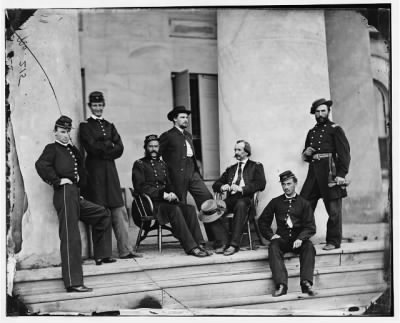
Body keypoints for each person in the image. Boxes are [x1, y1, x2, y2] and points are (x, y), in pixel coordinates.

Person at [35, 116, 116, 293]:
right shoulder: (52, 148)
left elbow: (81, 168)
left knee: (102, 214)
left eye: (67, 132)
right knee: (71, 236)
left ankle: (102, 255)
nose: (65, 135)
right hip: (64, 194)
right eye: (62, 132)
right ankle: (73, 282)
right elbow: (41, 165)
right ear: (55, 132)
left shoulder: (71, 150)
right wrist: (57, 181)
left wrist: (79, 186)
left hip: (75, 194)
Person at [79, 91, 141, 259]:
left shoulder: (109, 125)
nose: (98, 108)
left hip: (111, 173)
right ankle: (104, 254)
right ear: (90, 106)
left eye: (100, 105)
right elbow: (91, 147)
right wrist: (108, 146)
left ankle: (125, 250)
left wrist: (103, 147)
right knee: (101, 211)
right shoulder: (85, 126)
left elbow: (120, 148)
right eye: (95, 105)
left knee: (119, 210)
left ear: (103, 106)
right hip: (95, 173)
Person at [132, 134, 212, 257]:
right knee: (174, 209)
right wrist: (162, 194)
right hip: (150, 205)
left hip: (165, 203)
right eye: (150, 146)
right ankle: (191, 247)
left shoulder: (163, 165)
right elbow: (140, 187)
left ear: (159, 148)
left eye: (156, 146)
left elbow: (169, 184)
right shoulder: (140, 164)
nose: (153, 149)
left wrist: (172, 193)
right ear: (146, 148)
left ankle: (199, 243)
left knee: (189, 209)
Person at [159, 106, 217, 246]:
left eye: (187, 117)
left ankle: (215, 238)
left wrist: (197, 171)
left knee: (207, 200)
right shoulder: (167, 136)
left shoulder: (188, 135)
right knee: (182, 205)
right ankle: (192, 241)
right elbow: (157, 157)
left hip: (192, 172)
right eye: (182, 117)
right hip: (176, 176)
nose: (186, 120)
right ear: (174, 119)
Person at [300, 98, 351, 251]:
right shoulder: (312, 132)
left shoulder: (335, 129)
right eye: (317, 111)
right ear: (314, 113)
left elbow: (344, 154)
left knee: (334, 211)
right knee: (304, 207)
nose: (320, 114)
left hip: (331, 173)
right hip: (314, 174)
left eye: (323, 111)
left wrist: (341, 174)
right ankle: (301, 240)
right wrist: (307, 154)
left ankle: (333, 241)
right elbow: (306, 155)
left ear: (328, 111)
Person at [258, 171, 316, 297]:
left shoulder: (304, 203)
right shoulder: (275, 202)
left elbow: (310, 226)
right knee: (273, 246)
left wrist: (301, 238)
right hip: (282, 240)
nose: (286, 187)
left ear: (295, 183)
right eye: (283, 184)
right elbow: (262, 221)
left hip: (298, 241)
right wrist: (271, 235)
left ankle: (306, 283)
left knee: (309, 246)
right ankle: (281, 285)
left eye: (289, 184)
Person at [211, 140, 266, 256]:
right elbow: (215, 184)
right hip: (231, 199)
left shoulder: (256, 166)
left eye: (239, 150)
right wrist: (222, 187)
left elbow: (261, 184)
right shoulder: (231, 169)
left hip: (246, 199)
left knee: (240, 205)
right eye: (235, 150)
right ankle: (223, 242)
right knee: (213, 210)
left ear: (246, 152)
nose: (236, 152)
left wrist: (242, 189)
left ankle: (234, 245)